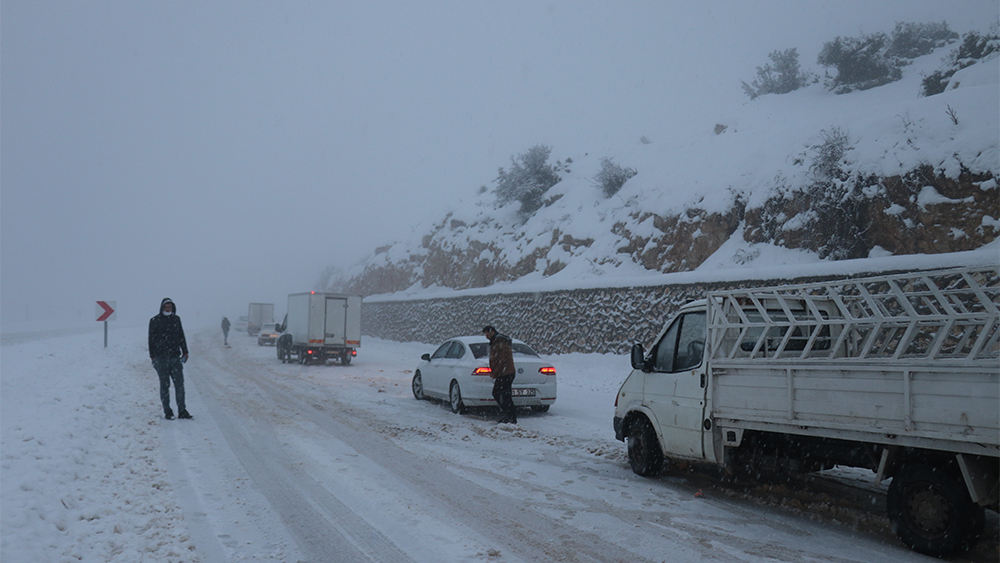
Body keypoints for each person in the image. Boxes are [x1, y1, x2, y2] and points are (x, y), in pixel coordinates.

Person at [149, 298, 191, 420]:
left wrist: (185, 351)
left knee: (179, 385)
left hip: (175, 357)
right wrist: (153, 356)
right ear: (162, 307)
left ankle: (182, 410)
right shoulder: (154, 321)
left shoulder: (176, 320)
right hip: (160, 358)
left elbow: (181, 336)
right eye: (166, 307)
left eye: (170, 307)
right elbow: (151, 339)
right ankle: (167, 411)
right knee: (164, 385)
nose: (168, 309)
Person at [483, 325, 517, 424]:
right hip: (504, 372)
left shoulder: (500, 342)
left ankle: (510, 417)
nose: (486, 336)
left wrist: (495, 372)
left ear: (492, 332)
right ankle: (509, 416)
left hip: (505, 373)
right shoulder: (496, 341)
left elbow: (502, 359)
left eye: (487, 334)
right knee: (504, 395)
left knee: (499, 394)